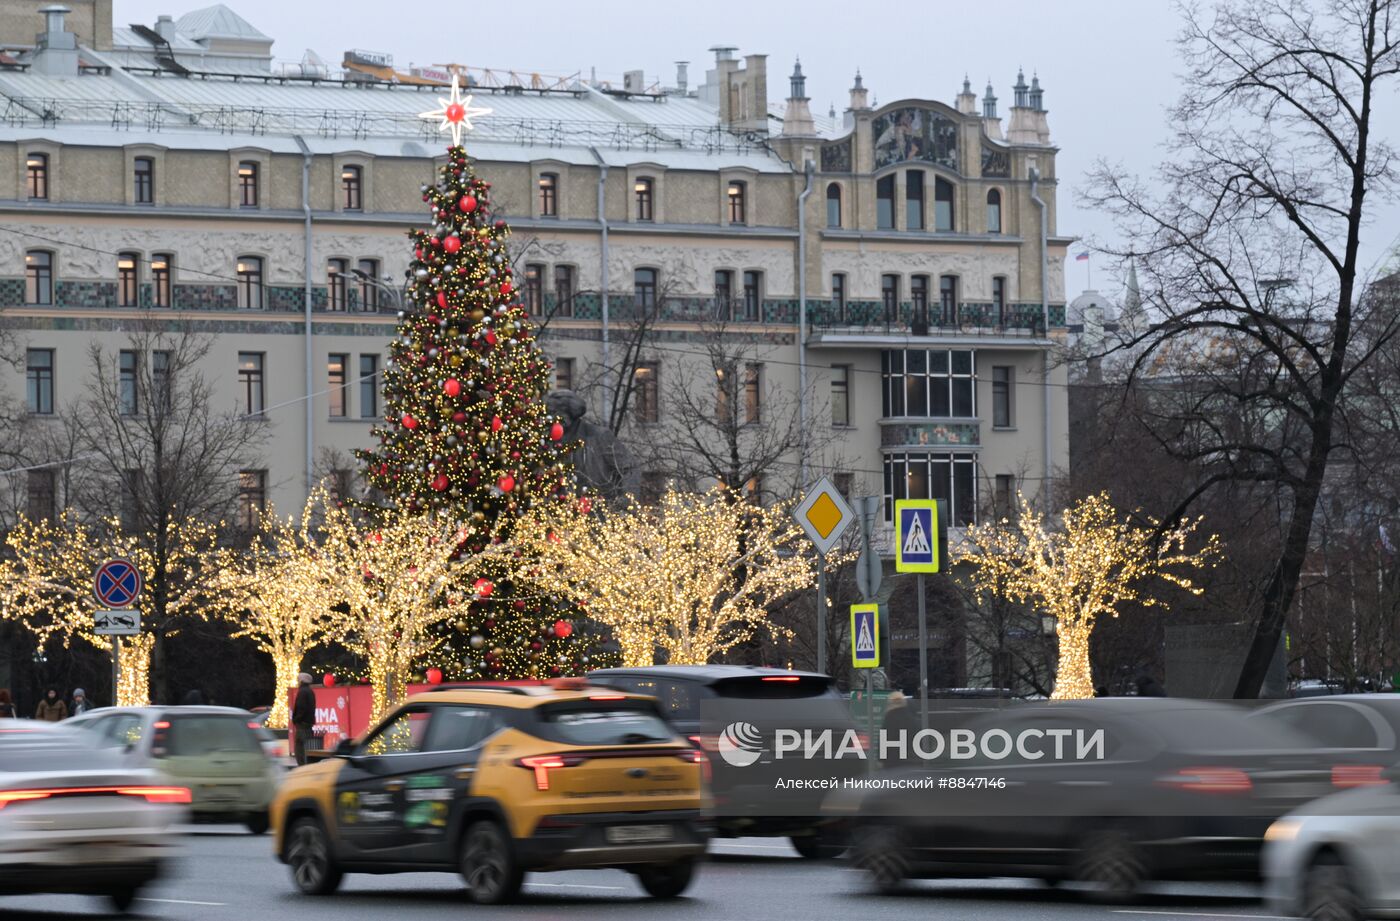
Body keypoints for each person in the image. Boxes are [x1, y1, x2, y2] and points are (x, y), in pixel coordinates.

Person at [881, 690, 920, 763]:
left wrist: (881, 759)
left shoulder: (890, 718)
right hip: (913, 762)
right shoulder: (913, 719)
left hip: (893, 763)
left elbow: (885, 739)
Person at [292, 673, 316, 766]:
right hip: (309, 724)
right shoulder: (310, 691)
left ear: (301, 681)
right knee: (307, 747)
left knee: (299, 748)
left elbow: (301, 708)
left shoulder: (302, 692)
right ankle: (307, 765)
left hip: (302, 724)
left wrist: (296, 719)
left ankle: (302, 766)